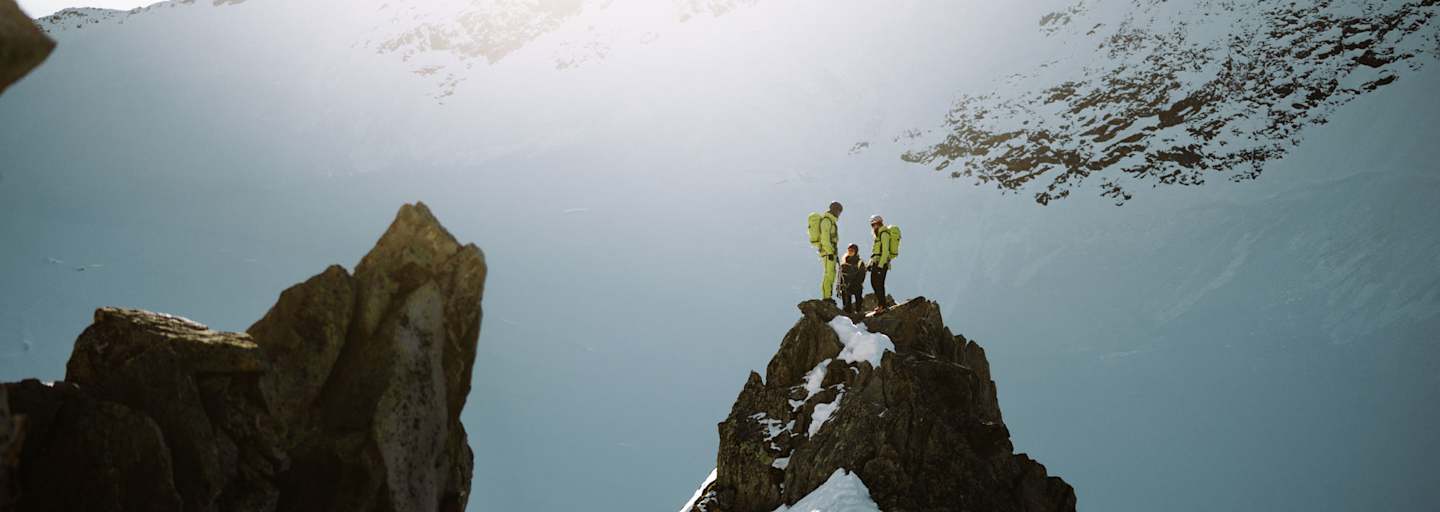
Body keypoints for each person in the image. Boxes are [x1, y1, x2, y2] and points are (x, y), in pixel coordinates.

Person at [809, 201, 843, 303]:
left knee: (831, 273)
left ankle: (828, 296)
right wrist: (830, 252)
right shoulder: (827, 221)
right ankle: (826, 298)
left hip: (830, 252)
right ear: (834, 209)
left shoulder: (830, 221)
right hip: (828, 252)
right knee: (829, 274)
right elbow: (824, 239)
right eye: (838, 210)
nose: (839, 213)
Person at [868, 214, 897, 313]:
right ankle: (881, 305)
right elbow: (876, 252)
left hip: (882, 264)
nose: (873, 227)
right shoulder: (879, 234)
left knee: (878, 284)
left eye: (874, 224)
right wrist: (870, 264)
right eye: (872, 225)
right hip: (877, 263)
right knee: (875, 283)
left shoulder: (884, 234)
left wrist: (880, 266)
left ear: (878, 223)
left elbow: (885, 252)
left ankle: (882, 306)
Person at [836, 244, 865, 314]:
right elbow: (840, 275)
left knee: (858, 297)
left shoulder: (859, 262)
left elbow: (862, 275)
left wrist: (854, 283)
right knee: (846, 300)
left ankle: (859, 311)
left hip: (856, 285)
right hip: (846, 286)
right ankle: (847, 311)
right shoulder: (844, 262)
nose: (850, 252)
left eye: (852, 250)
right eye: (849, 250)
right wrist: (839, 286)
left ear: (856, 252)